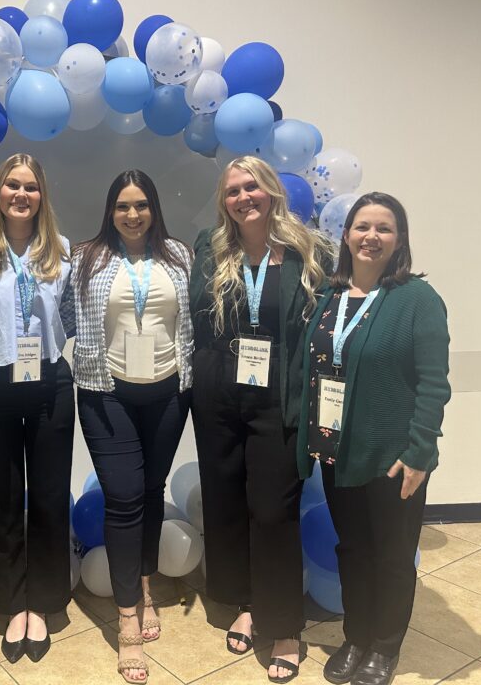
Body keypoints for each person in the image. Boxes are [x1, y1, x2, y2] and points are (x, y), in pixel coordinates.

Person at [298, 193, 450, 685]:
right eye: (362, 227)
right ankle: (357, 635)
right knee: (353, 549)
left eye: (384, 228)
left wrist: (420, 452)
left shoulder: (417, 301)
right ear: (345, 235)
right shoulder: (330, 297)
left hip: (392, 457)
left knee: (392, 555)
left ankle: (385, 647)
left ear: (399, 239)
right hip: (337, 451)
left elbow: (434, 382)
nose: (371, 237)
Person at [189, 156, 330, 684]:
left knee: (272, 511)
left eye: (252, 187)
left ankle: (286, 626)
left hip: (279, 401)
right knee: (226, 503)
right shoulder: (212, 248)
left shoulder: (309, 250)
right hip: (220, 398)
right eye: (232, 191)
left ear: (271, 191)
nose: (242, 198)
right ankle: (246, 602)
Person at [71, 170, 194, 685]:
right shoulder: (85, 258)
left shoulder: (180, 256)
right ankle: (126, 618)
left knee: (149, 489)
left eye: (141, 204)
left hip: (169, 391)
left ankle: (143, 585)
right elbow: (59, 314)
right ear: (110, 210)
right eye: (122, 205)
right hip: (106, 392)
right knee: (123, 496)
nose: (132, 213)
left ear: (154, 207)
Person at [0, 153, 75, 663]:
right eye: (11, 186)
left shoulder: (61, 250)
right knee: (1, 497)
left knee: (47, 497)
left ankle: (42, 603)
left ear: (41, 195)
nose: (20, 195)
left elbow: (69, 312)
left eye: (30, 187)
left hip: (48, 381)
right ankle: (10, 602)